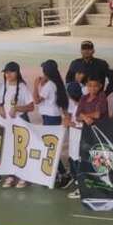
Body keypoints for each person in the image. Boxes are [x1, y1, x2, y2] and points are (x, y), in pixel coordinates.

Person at [0, 62, 35, 189]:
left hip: (21, 122)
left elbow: (31, 106)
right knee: (9, 149)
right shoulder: (4, 86)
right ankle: (11, 175)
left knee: (21, 149)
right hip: (8, 123)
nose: (8, 75)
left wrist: (17, 108)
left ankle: (24, 176)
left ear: (17, 73)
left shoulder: (23, 87)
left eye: (11, 72)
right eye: (6, 72)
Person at [35, 60, 71, 188]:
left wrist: (35, 85)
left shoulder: (50, 85)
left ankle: (61, 173)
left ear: (46, 72)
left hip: (50, 119)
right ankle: (58, 173)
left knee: (50, 148)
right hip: (52, 117)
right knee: (51, 147)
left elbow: (37, 100)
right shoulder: (54, 83)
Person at [65, 81, 84, 199]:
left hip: (78, 141)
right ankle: (78, 184)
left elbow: (83, 125)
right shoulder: (76, 105)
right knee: (74, 162)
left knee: (78, 164)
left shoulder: (81, 107)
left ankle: (81, 189)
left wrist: (71, 124)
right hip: (74, 141)